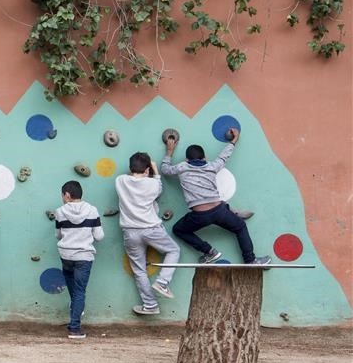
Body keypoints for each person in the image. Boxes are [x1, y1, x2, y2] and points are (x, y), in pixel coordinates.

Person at [161, 128, 271, 266]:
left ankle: (209, 251)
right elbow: (224, 155)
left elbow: (165, 169)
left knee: (178, 230)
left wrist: (169, 151)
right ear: (204, 158)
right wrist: (234, 139)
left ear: (187, 159)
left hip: (199, 215)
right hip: (219, 211)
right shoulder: (212, 166)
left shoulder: (182, 167)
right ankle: (250, 260)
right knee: (240, 227)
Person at [115, 152, 180, 316]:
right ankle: (162, 282)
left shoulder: (120, 181)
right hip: (151, 229)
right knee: (173, 251)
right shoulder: (152, 184)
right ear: (147, 169)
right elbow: (159, 187)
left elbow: (133, 177)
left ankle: (150, 305)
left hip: (130, 231)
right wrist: (155, 169)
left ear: (130, 168)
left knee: (139, 270)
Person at [54, 180, 103, 339]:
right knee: (80, 291)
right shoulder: (93, 210)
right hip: (84, 256)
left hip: (66, 255)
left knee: (74, 290)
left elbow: (58, 235)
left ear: (67, 195)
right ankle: (75, 328)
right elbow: (99, 236)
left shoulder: (60, 211)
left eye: (62, 195)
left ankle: (74, 314)